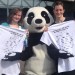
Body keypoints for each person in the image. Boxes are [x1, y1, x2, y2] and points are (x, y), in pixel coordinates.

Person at [40, 1, 75, 75]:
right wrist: (46, 31)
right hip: (60, 63)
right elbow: (49, 46)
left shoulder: (71, 22)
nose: (58, 12)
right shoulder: (51, 27)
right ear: (53, 11)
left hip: (73, 60)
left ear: (63, 11)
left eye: (60, 10)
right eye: (56, 10)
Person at [1, 8, 26, 75]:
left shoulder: (22, 30)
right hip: (3, 60)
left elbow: (25, 45)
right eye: (15, 14)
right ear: (11, 15)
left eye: (19, 15)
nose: (17, 17)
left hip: (14, 62)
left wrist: (26, 36)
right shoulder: (4, 26)